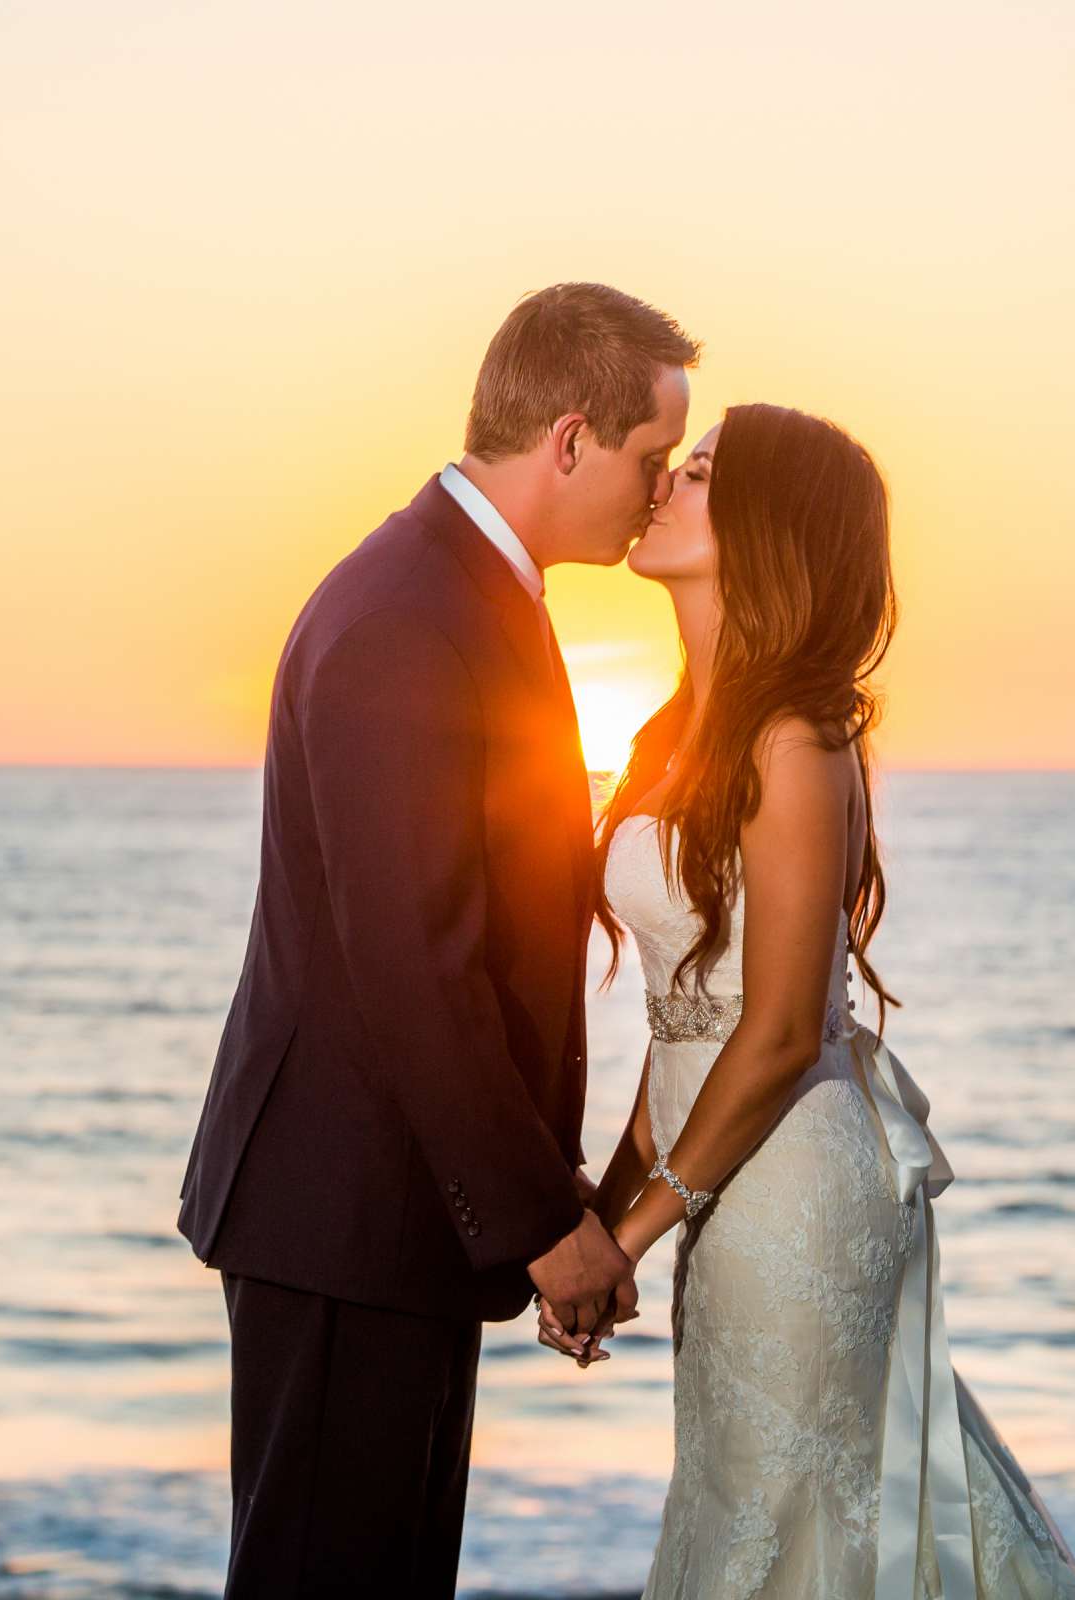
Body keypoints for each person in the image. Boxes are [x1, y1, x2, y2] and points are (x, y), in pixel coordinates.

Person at [173, 282, 698, 1596]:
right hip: (346, 1216)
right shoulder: (411, 616)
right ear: (570, 440)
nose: (657, 490)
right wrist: (540, 1222)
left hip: (390, 1215)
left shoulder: (463, 593)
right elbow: (412, 960)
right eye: (647, 460)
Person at [541, 404, 1075, 1599]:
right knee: (742, 1509)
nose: (667, 484)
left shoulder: (798, 738)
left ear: (767, 530)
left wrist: (626, 1239)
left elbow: (786, 1023)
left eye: (700, 472)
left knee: (784, 1528)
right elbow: (684, 1011)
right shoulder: (673, 732)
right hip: (720, 1188)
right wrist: (604, 1202)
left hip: (794, 1184)